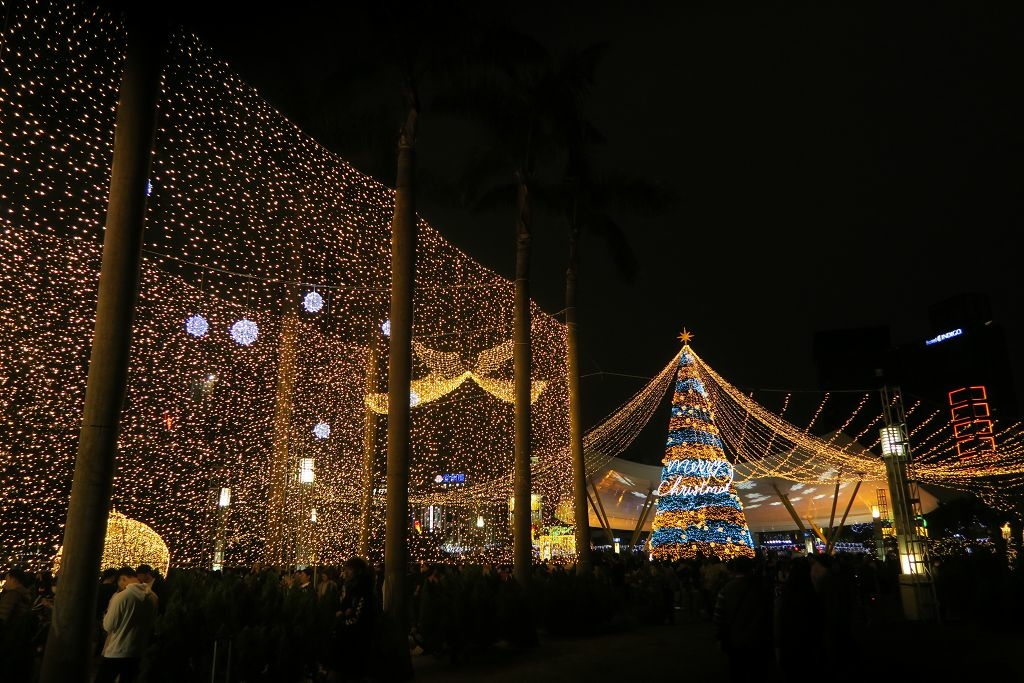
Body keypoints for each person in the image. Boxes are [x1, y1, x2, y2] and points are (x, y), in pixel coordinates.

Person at [95, 566, 158, 683]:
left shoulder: (121, 597)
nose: (120, 587)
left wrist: (106, 616)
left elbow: (108, 626)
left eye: (119, 583)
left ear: (123, 579)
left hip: (116, 651)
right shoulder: (153, 597)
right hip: (137, 651)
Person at [326, 556, 378, 682]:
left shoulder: (363, 591)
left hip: (356, 642)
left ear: (358, 571)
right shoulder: (348, 588)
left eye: (349, 569)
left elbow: (358, 619)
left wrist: (342, 619)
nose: (346, 572)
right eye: (345, 569)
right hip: (345, 641)